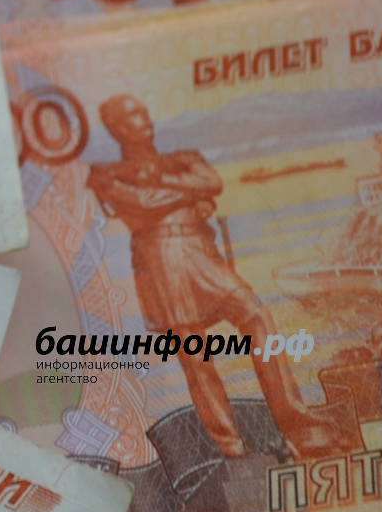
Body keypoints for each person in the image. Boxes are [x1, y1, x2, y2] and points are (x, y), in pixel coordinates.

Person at [86, 96, 350, 458]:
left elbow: (209, 182)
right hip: (162, 262)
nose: (143, 117)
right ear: (116, 127)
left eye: (143, 110)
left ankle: (297, 421)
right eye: (132, 114)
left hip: (201, 251)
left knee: (256, 316)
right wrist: (187, 194)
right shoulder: (105, 173)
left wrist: (167, 193)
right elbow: (143, 202)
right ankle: (230, 446)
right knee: (195, 356)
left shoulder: (185, 157)